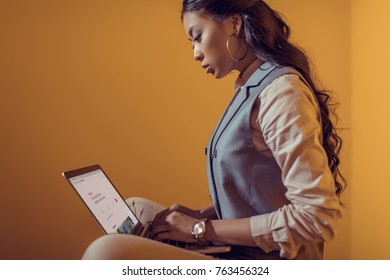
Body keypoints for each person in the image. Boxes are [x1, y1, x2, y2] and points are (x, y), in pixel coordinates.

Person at [82, 0, 345, 260]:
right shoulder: (250, 86)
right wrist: (202, 215)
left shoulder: (281, 93)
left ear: (234, 23)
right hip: (236, 249)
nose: (195, 53)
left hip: (266, 261)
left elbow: (316, 215)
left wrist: (200, 229)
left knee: (104, 252)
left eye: (197, 37)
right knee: (136, 209)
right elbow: (257, 197)